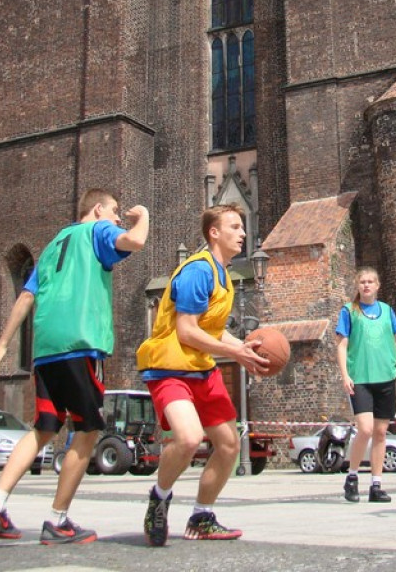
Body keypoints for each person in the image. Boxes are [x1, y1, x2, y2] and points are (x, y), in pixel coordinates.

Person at [0, 189, 149, 545]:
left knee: (42, 429)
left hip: (45, 350)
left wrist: (2, 346)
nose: (117, 217)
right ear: (98, 209)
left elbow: (26, 297)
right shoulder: (96, 231)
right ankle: (57, 520)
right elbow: (135, 241)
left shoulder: (54, 243)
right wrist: (142, 214)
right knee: (87, 431)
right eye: (114, 211)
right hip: (81, 342)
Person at [137, 204, 269, 547]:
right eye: (235, 226)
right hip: (170, 366)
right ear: (214, 232)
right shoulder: (198, 271)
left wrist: (243, 346)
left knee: (227, 444)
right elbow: (186, 331)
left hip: (200, 367)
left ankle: (201, 517)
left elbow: (213, 330)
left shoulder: (222, 275)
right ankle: (159, 497)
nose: (243, 232)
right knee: (189, 438)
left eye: (242, 227)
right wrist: (235, 353)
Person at [335, 268, 396, 503]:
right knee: (365, 429)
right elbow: (342, 345)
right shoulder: (349, 311)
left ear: (378, 285)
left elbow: (395, 342)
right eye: (362, 282)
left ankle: (376, 484)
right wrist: (344, 375)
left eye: (370, 281)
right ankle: (352, 476)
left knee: (381, 432)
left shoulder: (387, 311)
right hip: (360, 378)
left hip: (385, 377)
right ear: (357, 285)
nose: (366, 285)